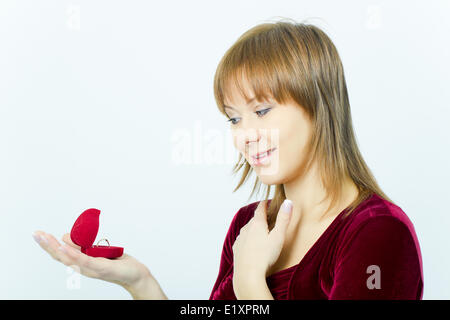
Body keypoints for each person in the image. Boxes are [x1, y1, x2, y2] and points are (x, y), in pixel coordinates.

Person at [32, 19, 423, 300]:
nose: (245, 134)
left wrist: (252, 281)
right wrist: (139, 282)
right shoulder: (247, 226)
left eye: (263, 111)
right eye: (234, 118)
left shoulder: (378, 233)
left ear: (319, 106)